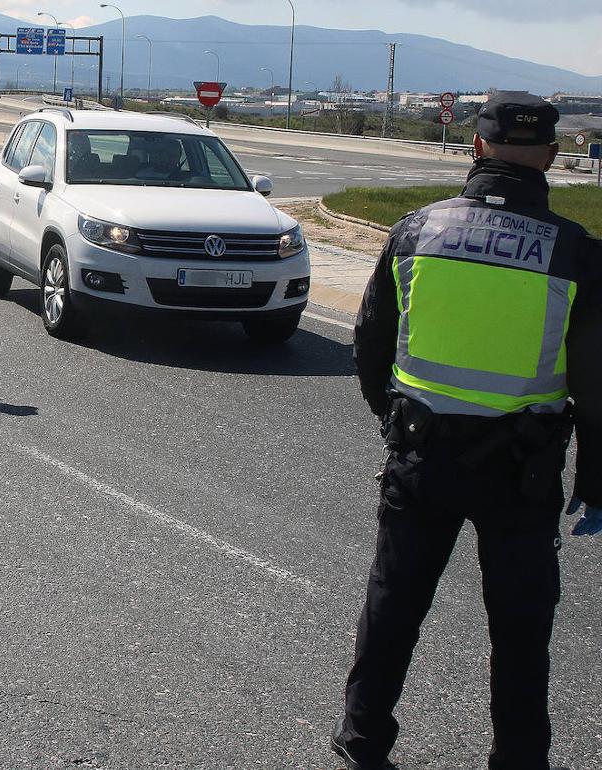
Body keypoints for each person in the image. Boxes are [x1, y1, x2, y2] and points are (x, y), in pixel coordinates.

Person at [333, 91, 602, 770]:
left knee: (394, 606)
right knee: (520, 631)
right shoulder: (577, 255)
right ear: (548, 157)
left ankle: (362, 740)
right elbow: (598, 385)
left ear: (475, 148)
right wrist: (595, 481)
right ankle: (518, 760)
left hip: (422, 457)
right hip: (523, 471)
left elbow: (369, 345)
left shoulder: (416, 230)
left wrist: (395, 423)